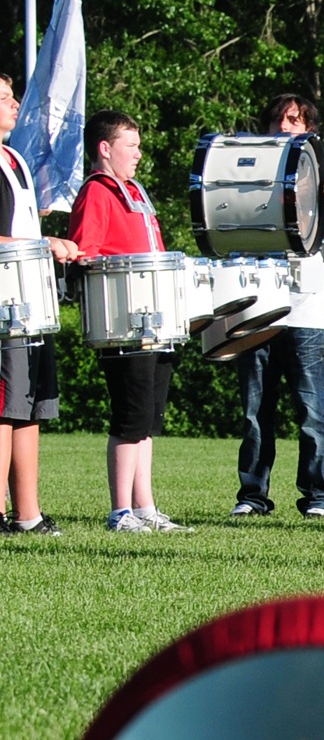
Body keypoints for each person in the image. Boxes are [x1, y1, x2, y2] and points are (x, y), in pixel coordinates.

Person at [233, 94, 324, 520]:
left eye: (296, 121)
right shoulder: (245, 177)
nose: (287, 126)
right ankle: (252, 495)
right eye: (280, 119)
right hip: (255, 306)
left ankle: (319, 496)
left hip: (305, 313)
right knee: (254, 412)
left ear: (309, 131)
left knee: (312, 411)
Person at [70, 111, 186, 532]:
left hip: (154, 324)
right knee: (130, 416)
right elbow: (87, 252)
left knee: (148, 420)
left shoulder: (133, 190)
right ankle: (120, 510)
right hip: (124, 323)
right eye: (130, 146)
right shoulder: (98, 192)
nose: (138, 154)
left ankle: (145, 507)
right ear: (105, 149)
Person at [0, 72, 82, 536]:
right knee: (5, 410)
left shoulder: (14, 159)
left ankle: (27, 514)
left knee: (30, 409)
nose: (16, 106)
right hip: (3, 305)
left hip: (30, 304)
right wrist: (45, 243)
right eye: (6, 99)